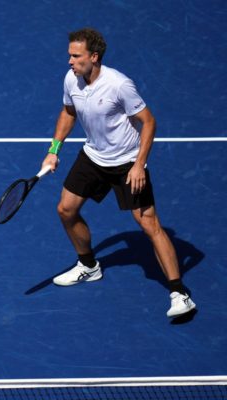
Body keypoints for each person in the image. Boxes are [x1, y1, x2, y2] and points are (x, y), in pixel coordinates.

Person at [42, 28, 196, 318]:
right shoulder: (71, 79)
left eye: (76, 56)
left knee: (148, 224)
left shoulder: (119, 85)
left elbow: (149, 122)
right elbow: (69, 112)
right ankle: (89, 266)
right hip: (93, 157)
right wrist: (54, 149)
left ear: (94, 56)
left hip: (126, 162)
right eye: (69, 55)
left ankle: (180, 293)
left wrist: (139, 164)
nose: (70, 61)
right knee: (65, 209)